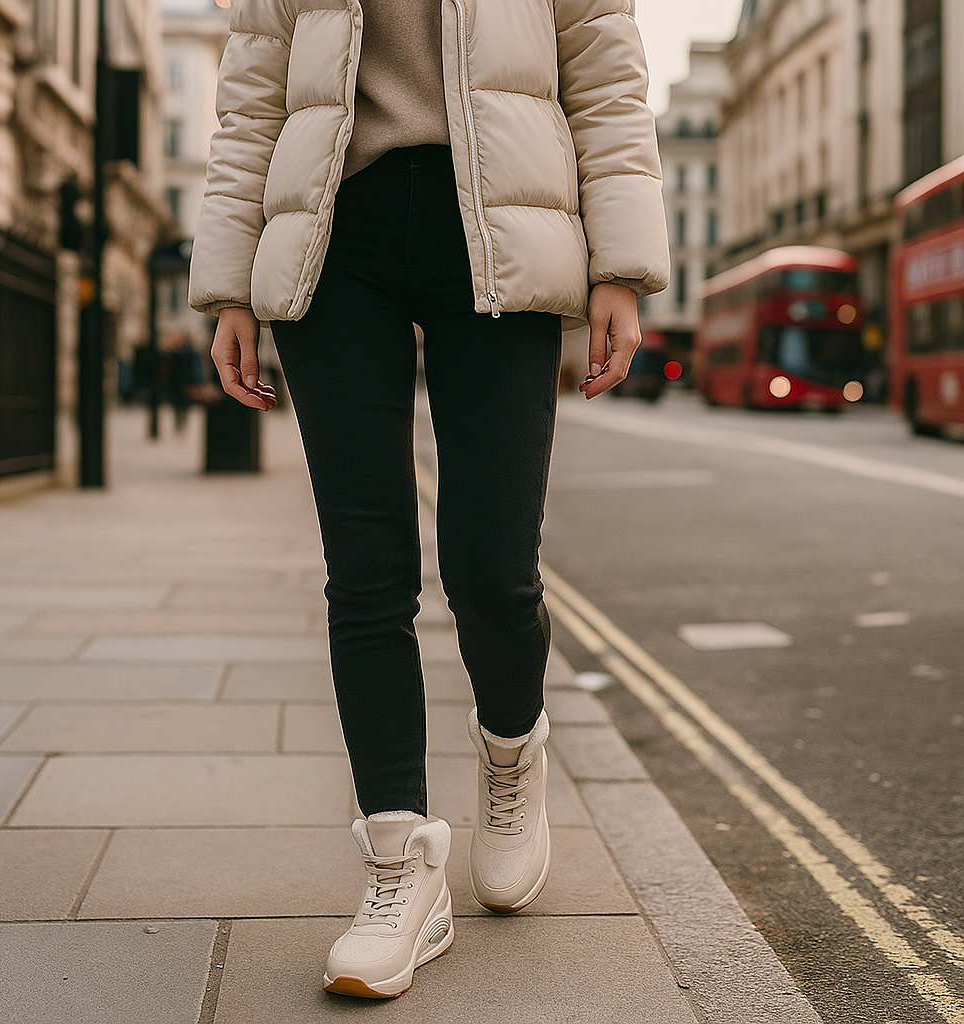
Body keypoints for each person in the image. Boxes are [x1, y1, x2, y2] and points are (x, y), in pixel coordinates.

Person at [189, 0, 669, 999]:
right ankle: (399, 864)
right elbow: (253, 93)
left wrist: (621, 265)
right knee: (366, 570)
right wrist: (228, 283)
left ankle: (512, 747)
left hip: (499, 212)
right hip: (333, 228)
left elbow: (603, 73)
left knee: (492, 571)